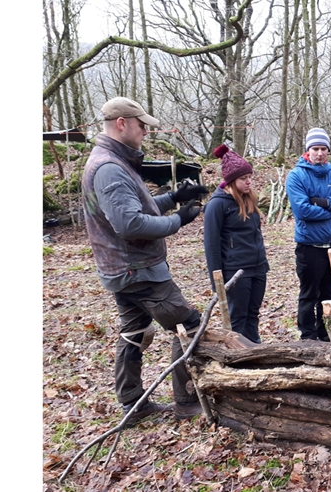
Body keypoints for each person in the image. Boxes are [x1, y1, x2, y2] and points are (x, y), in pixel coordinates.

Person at [81, 96, 209, 424]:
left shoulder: (113, 161)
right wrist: (177, 221)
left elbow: (134, 205)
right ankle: (187, 400)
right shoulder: (109, 167)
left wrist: (172, 198)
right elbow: (129, 224)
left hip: (121, 268)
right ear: (121, 124)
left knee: (134, 330)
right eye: (141, 126)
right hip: (137, 270)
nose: (145, 132)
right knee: (188, 324)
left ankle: (132, 403)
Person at [285, 128, 331, 341]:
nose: (319, 153)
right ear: (308, 150)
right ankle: (307, 337)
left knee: (330, 293)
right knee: (309, 294)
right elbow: (302, 210)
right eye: (315, 149)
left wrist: (326, 202)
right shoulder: (296, 176)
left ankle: (327, 334)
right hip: (309, 246)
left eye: (323, 149)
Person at [203, 144, 270, 343]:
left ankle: (254, 349)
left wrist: (262, 263)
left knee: (253, 313)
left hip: (257, 267)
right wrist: (217, 281)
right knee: (238, 317)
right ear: (231, 181)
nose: (249, 182)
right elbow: (211, 245)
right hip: (235, 271)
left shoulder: (249, 199)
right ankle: (239, 354)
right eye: (243, 178)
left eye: (250, 177)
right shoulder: (217, 205)